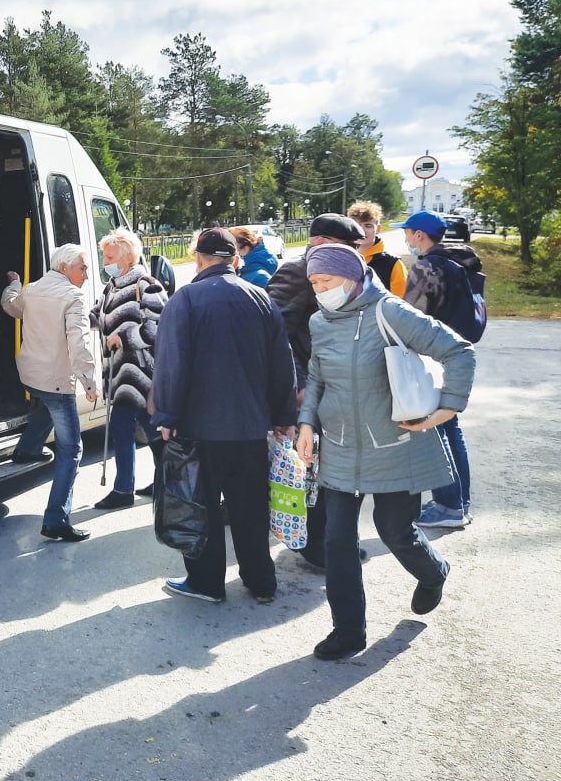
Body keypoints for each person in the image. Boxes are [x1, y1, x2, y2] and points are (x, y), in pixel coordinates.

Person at [295, 244, 475, 660]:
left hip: (395, 444)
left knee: (395, 530)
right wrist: (307, 422)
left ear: (351, 277)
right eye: (314, 283)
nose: (319, 290)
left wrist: (447, 407)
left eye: (325, 281)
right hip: (339, 447)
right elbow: (317, 377)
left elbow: (458, 351)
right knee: (336, 540)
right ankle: (348, 631)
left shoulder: (388, 311)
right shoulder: (320, 322)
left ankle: (434, 572)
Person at [151, 228, 298, 603]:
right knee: (249, 506)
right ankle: (261, 581)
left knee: (201, 506)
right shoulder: (261, 298)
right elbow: (282, 363)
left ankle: (206, 582)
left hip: (199, 428)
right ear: (235, 260)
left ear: (198, 258)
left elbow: (170, 364)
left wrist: (165, 415)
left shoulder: (185, 299)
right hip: (251, 427)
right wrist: (284, 414)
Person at [264, 213, 366, 568]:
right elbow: (274, 333)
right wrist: (299, 384)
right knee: (315, 470)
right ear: (322, 242)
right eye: (350, 247)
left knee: (329, 468)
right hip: (310, 389)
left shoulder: (338, 271)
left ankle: (326, 543)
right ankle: (317, 547)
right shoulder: (297, 270)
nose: (355, 254)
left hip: (336, 384)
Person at [2, 244, 101, 542]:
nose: (86, 274)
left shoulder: (31, 290)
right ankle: (56, 520)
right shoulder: (73, 296)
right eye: (82, 268)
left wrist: (14, 284)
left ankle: (27, 450)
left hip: (31, 375)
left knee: (47, 407)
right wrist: (89, 382)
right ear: (63, 268)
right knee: (72, 450)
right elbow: (79, 343)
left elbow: (11, 306)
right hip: (56, 380)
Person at [401, 210, 482, 530]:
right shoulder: (456, 260)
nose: (406, 239)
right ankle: (459, 502)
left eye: (408, 233)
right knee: (450, 426)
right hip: (453, 351)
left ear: (420, 235)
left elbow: (410, 316)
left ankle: (449, 504)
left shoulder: (426, 266)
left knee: (435, 430)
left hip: (431, 355)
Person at [89, 228, 167, 509]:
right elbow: (98, 316)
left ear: (126, 257)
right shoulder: (112, 285)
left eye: (108, 256)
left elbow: (159, 327)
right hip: (119, 372)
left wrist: (124, 338)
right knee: (134, 429)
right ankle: (148, 484)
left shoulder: (146, 284)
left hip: (141, 373)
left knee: (145, 429)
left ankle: (139, 487)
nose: (105, 260)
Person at [348, 200, 406, 295]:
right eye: (356, 225)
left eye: (368, 226)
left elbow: (402, 304)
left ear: (378, 229)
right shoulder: (342, 259)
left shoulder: (392, 264)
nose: (362, 230)